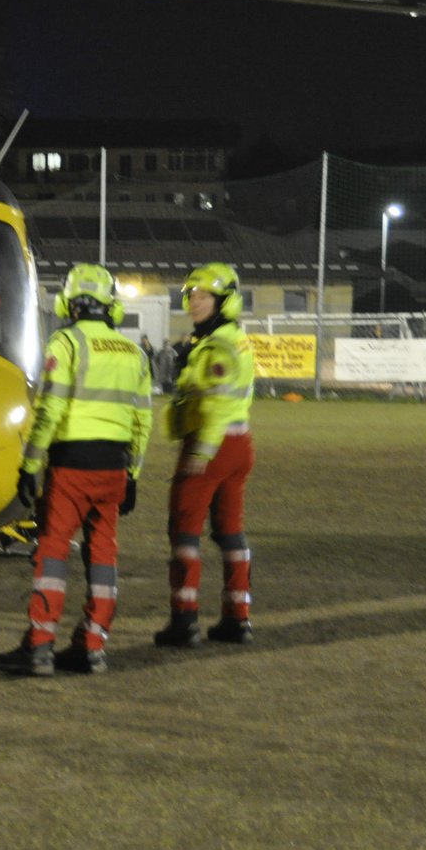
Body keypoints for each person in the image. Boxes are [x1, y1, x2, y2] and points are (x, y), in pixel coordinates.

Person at [0, 262, 153, 676]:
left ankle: (40, 645)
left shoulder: (66, 343)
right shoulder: (134, 353)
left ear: (68, 302)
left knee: (53, 553)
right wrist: (132, 473)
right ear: (110, 305)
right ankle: (93, 645)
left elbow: (50, 411)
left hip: (71, 467)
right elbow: (142, 420)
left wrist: (30, 464)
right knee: (103, 556)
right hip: (114, 467)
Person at [154, 262, 257, 648]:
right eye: (191, 295)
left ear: (224, 301)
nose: (194, 302)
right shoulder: (227, 339)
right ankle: (237, 618)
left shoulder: (218, 345)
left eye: (204, 296)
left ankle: (184, 621)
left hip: (211, 445)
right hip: (237, 443)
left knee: (184, 530)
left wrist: (203, 450)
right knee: (230, 531)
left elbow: (215, 401)